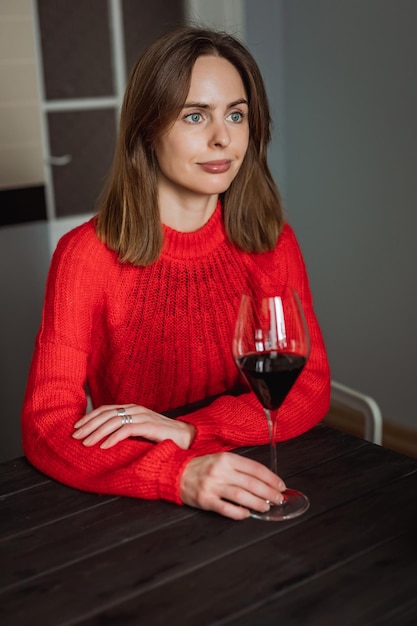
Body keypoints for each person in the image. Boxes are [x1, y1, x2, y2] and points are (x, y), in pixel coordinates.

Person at [21, 26, 330, 521]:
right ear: (147, 129)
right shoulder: (84, 256)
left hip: (252, 476)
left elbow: (309, 389)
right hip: (138, 496)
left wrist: (192, 432)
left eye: (236, 114)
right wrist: (177, 473)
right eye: (194, 116)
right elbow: (46, 425)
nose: (223, 138)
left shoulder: (270, 240)